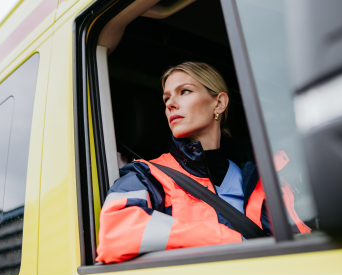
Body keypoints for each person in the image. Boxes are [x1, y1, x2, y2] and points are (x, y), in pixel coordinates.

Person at [96, 61, 308, 264]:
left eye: (184, 91)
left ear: (219, 103)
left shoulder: (263, 176)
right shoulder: (146, 174)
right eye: (166, 98)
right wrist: (233, 242)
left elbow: (300, 245)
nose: (170, 103)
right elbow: (115, 234)